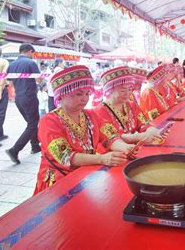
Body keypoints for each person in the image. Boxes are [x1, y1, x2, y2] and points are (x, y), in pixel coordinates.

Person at [34, 65, 134, 194]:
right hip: (59, 179)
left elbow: (109, 137)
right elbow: (66, 157)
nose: (85, 99)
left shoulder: (91, 115)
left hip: (86, 173)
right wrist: (102, 159)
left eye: (87, 94)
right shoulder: (49, 121)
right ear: (61, 94)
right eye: (78, 94)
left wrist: (125, 148)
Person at [95, 66, 162, 146]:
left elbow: (143, 124)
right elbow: (110, 138)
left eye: (130, 89)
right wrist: (138, 137)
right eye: (123, 90)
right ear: (110, 90)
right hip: (115, 154)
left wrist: (152, 130)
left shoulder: (132, 105)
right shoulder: (99, 111)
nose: (128, 93)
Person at [5, 43, 42, 164]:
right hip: (29, 96)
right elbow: (39, 79)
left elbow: (8, 82)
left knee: (31, 123)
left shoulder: (12, 65)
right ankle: (15, 150)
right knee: (33, 124)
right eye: (33, 53)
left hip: (18, 98)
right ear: (29, 51)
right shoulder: (30, 63)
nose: (33, 56)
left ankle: (35, 146)